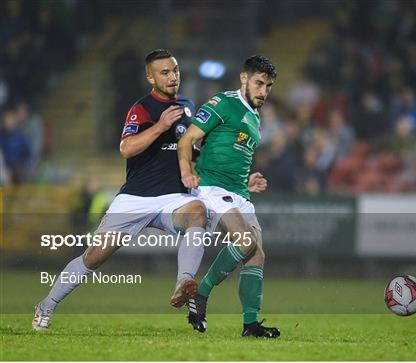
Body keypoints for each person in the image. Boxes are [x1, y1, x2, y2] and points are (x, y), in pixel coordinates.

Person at [32, 49, 208, 331]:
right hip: (136, 198)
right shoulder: (142, 109)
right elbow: (126, 148)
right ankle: (47, 305)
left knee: (197, 212)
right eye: (165, 72)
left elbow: (189, 148)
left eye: (175, 70)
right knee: (93, 257)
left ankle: (184, 283)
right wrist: (160, 126)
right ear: (150, 77)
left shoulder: (187, 106)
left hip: (173, 198)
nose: (173, 76)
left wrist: (199, 161)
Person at [178, 55, 280, 338]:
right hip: (213, 188)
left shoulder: (254, 115)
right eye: (259, 83)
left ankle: (250, 324)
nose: (263, 91)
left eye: (268, 86)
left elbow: (230, 151)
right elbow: (187, 139)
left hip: (239, 192)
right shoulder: (223, 103)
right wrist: (187, 172)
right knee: (246, 241)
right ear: (243, 78)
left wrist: (247, 180)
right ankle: (201, 293)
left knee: (257, 255)